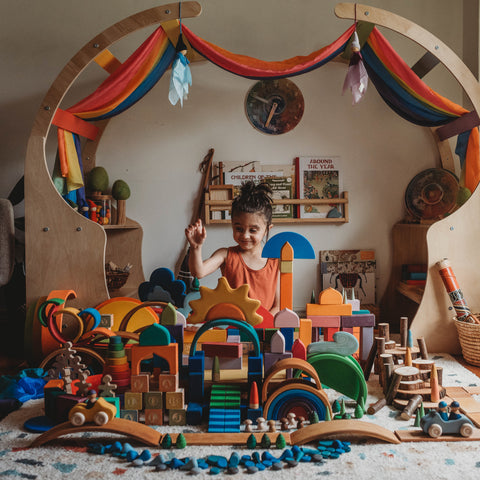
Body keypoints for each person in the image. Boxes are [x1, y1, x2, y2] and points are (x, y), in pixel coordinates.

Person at [185, 181, 280, 314]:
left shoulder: (275, 261)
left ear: (267, 230)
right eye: (239, 229)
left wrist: (260, 326)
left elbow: (278, 305)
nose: (245, 235)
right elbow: (198, 272)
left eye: (253, 230)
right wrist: (196, 247)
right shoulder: (225, 255)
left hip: (264, 329)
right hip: (233, 326)